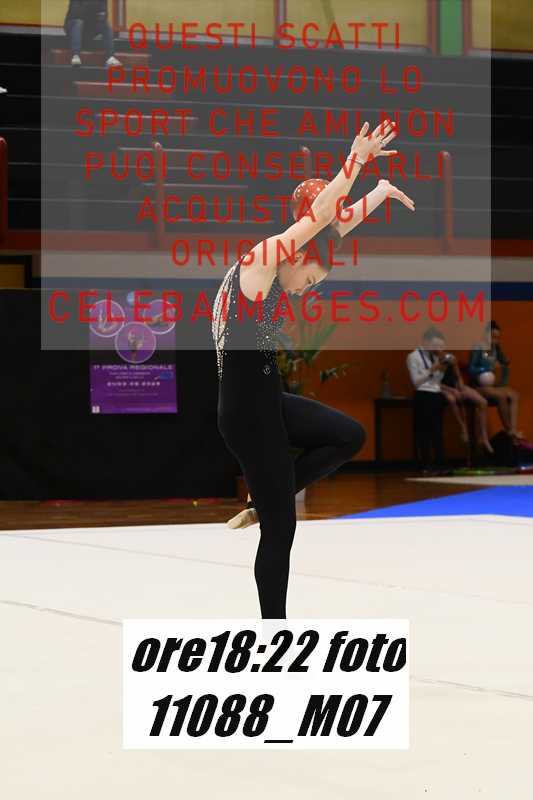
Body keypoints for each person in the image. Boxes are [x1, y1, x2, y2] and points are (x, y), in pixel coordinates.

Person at [213, 119, 415, 618]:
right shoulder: (260, 260)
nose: (307, 290)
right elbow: (324, 216)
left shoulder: (276, 270)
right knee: (281, 530)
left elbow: (332, 225)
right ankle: (273, 631)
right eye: (310, 280)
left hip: (265, 401)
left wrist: (379, 192)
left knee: (348, 436)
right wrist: (357, 159)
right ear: (297, 254)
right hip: (247, 413)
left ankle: (269, 497)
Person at [468, 320, 522, 442]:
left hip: (493, 384)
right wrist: (486, 368)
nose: (495, 340)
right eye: (492, 337)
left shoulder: (496, 348)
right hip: (479, 385)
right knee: (501, 396)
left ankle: (513, 429)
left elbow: (504, 364)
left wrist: (504, 371)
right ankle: (509, 430)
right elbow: (471, 369)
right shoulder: (478, 348)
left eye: (497, 337)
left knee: (514, 395)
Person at [406, 328, 449, 472]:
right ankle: (425, 464)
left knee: (438, 431)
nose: (437, 349)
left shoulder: (434, 356)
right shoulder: (413, 356)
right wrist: (431, 369)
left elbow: (437, 381)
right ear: (426, 342)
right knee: (423, 432)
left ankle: (440, 463)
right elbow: (416, 381)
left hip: (436, 394)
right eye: (434, 345)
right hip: (423, 395)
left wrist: (442, 369)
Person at [440, 352, 494, 454]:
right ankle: (463, 427)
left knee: (483, 402)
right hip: (443, 388)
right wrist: (453, 390)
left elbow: (458, 376)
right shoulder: (435, 363)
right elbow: (436, 383)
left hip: (455, 386)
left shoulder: (452, 360)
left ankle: (484, 437)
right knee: (451, 399)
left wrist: (460, 387)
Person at [64, 0, 122, 67]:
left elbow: (104, 15)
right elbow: (76, 13)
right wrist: (95, 10)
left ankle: (110, 58)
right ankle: (75, 55)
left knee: (106, 24)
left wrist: (89, 9)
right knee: (78, 22)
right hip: (73, 28)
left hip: (90, 27)